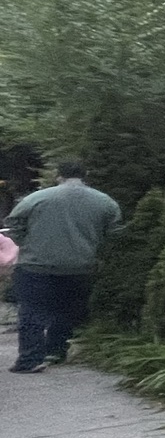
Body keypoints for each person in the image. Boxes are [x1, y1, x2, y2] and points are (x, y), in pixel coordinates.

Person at [5, 159, 121, 373]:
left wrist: (26, 243)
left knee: (32, 310)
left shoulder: (37, 198)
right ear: (86, 175)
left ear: (58, 175)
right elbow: (114, 232)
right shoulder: (105, 202)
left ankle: (30, 359)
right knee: (66, 310)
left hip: (37, 264)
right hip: (80, 266)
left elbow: (13, 223)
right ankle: (56, 350)